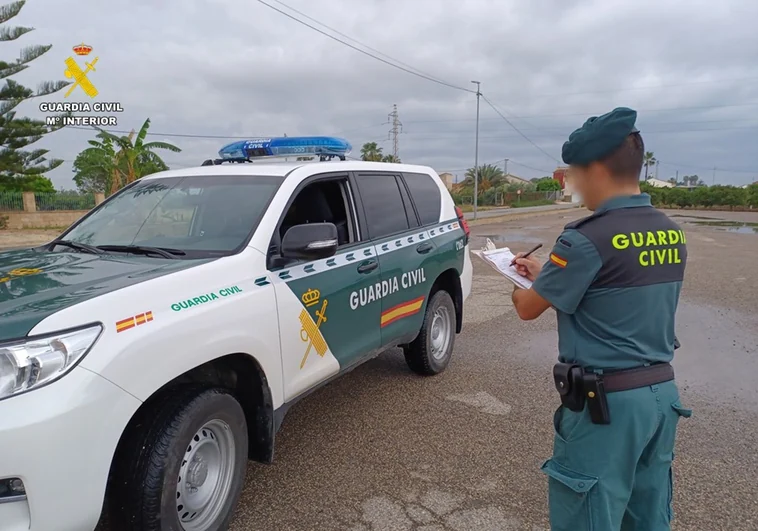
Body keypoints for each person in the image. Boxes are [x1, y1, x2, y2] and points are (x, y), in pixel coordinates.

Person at [510, 107, 692, 531]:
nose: (573, 185)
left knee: (587, 517)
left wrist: (515, 280)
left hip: (606, 408)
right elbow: (610, 291)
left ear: (595, 169)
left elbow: (526, 308)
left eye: (573, 174)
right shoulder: (669, 230)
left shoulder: (585, 237)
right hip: (661, 397)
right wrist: (547, 276)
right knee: (647, 518)